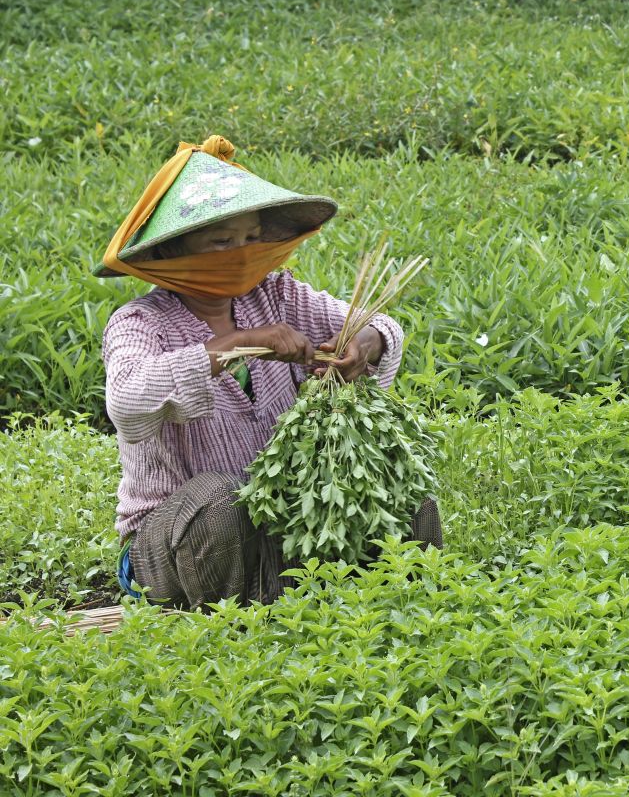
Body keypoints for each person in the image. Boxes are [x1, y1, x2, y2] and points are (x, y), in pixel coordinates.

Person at [97, 134, 441, 610]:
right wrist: (234, 345)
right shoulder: (140, 323)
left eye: (251, 238)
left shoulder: (276, 295)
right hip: (179, 542)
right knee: (218, 499)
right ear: (174, 252)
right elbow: (128, 403)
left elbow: (377, 324)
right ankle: (237, 627)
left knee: (401, 487)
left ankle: (411, 613)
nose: (241, 253)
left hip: (283, 525)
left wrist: (365, 345)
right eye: (221, 241)